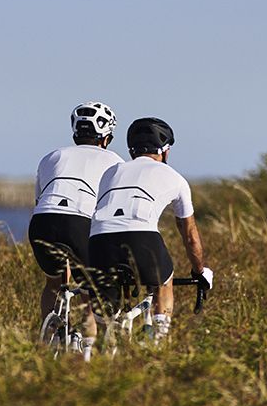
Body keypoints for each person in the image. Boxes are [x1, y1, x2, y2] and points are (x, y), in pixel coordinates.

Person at [89, 117, 213, 338]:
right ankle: (158, 342)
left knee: (108, 311)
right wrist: (199, 271)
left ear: (132, 150)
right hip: (142, 238)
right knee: (164, 283)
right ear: (165, 151)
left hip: (99, 242)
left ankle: (104, 345)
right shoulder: (176, 178)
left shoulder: (111, 172)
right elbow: (190, 236)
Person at [28, 101, 124, 345]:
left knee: (53, 282)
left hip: (42, 221)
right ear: (106, 137)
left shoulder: (52, 156)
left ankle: (47, 340)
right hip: (80, 221)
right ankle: (86, 346)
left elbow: (39, 198)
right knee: (88, 286)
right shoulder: (115, 161)